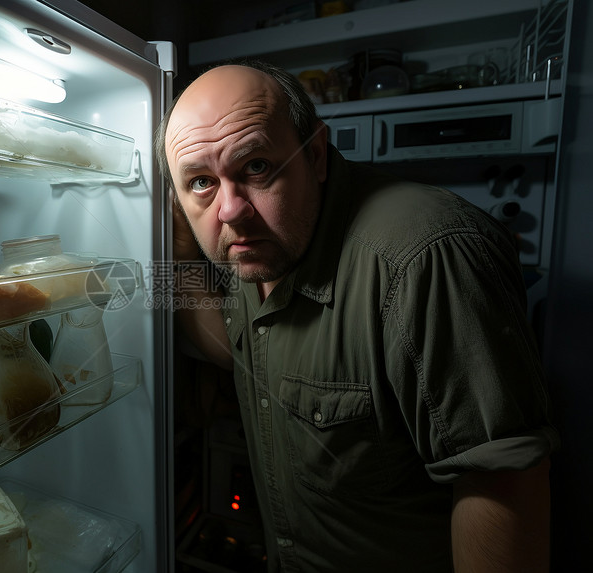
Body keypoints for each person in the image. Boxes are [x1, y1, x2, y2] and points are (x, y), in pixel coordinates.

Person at [156, 60, 559, 572]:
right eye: (200, 182)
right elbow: (238, 351)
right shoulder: (260, 249)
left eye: (256, 166)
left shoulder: (426, 258)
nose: (231, 210)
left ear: (317, 155)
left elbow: (503, 482)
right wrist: (177, 260)